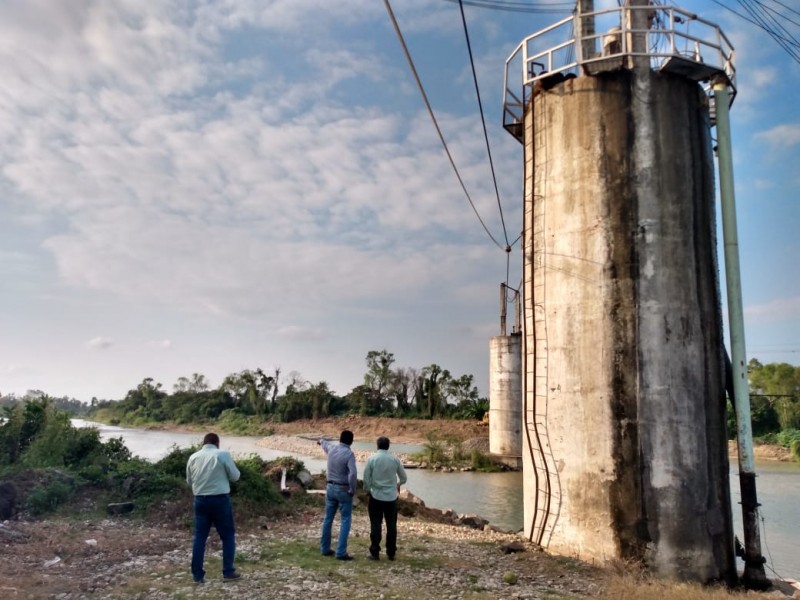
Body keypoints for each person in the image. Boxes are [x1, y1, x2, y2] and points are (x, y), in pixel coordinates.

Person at [186, 432, 241, 583]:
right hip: (220, 500)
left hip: (200, 500)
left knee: (199, 537)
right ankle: (228, 572)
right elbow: (235, 476)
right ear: (217, 443)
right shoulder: (222, 455)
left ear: (203, 443)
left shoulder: (193, 457)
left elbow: (189, 481)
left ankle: (197, 575)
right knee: (227, 535)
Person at [362, 436, 407, 561]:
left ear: (377, 445)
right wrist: (397, 485)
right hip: (391, 497)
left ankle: (375, 552)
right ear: (388, 446)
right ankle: (391, 552)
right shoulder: (395, 459)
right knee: (391, 525)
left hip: (376, 495)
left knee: (376, 524)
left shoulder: (372, 459)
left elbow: (366, 478)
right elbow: (403, 478)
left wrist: (368, 489)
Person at [318, 430, 357, 560]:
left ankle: (325, 549)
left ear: (340, 439)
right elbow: (352, 474)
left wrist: (320, 441)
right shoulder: (349, 454)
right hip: (343, 489)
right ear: (351, 441)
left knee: (328, 518)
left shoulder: (332, 449)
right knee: (345, 519)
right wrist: (352, 489)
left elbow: (324, 443)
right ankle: (341, 552)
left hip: (330, 487)